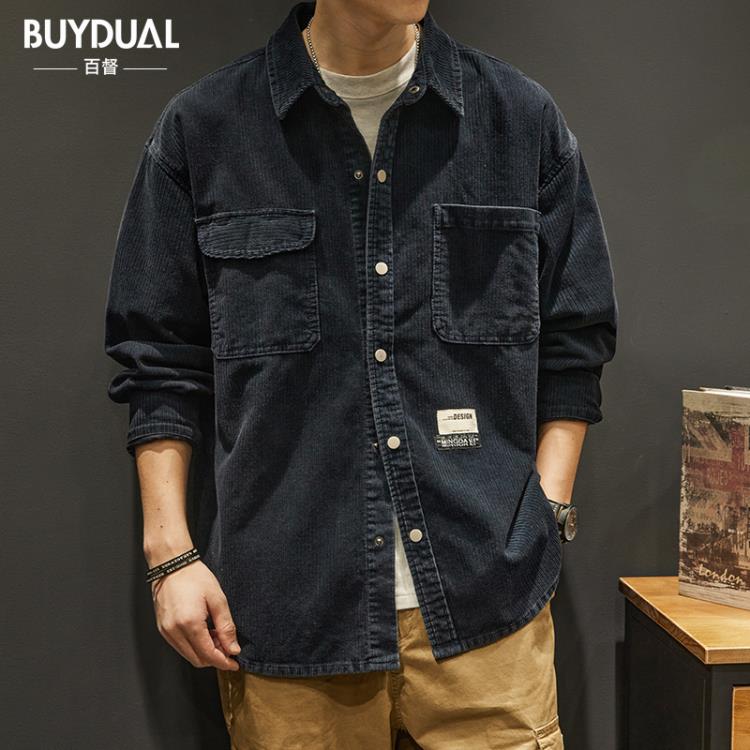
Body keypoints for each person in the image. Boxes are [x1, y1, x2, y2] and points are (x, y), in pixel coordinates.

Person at [103, 0, 618, 747]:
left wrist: (548, 506)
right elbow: (159, 361)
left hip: (487, 613)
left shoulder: (518, 121)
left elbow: (574, 338)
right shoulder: (206, 129)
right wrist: (169, 556)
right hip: (290, 620)